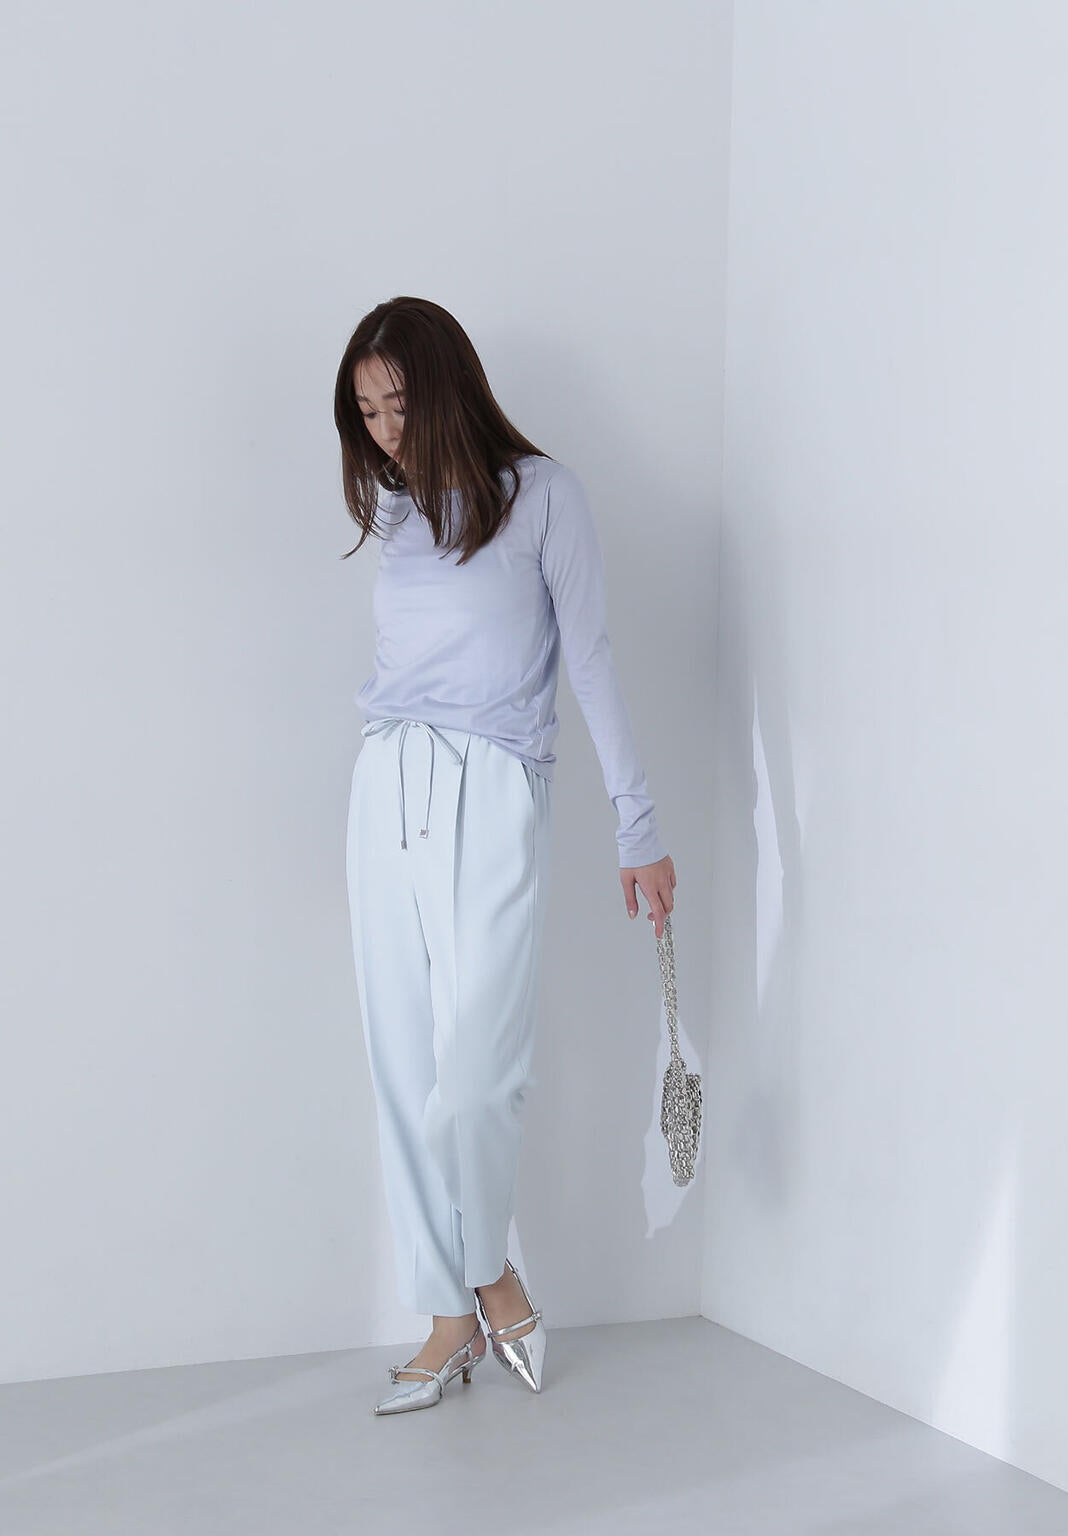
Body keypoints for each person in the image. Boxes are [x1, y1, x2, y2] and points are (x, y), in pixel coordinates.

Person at [335, 296, 677, 1416]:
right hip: (386, 783)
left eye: (399, 402)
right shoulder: (398, 515)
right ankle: (448, 1316)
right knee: (403, 1067)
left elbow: (592, 659)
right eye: (367, 411)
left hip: (491, 785)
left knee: (478, 1072)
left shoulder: (545, 496)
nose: (386, 431)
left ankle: (487, 1270)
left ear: (448, 387)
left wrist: (638, 826)